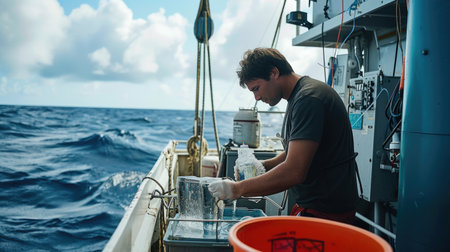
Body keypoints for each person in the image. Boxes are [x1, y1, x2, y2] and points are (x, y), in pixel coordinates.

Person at [208, 48, 358, 224]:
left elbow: (295, 171)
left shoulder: (309, 99)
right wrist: (263, 166)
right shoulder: (300, 96)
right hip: (316, 207)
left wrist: (237, 189)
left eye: (257, 88)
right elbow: (297, 152)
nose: (256, 97)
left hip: (326, 213)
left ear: (274, 73)